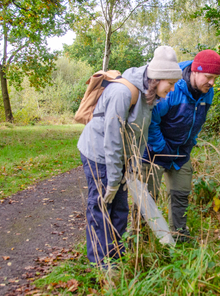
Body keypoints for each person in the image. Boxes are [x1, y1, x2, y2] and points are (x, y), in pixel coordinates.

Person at [77, 46, 182, 268]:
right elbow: (112, 140)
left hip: (119, 156)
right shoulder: (123, 93)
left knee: (120, 207)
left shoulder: (149, 96)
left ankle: (116, 256)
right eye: (170, 84)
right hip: (98, 152)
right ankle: (101, 264)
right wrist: (114, 181)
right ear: (157, 78)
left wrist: (132, 166)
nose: (172, 90)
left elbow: (139, 135)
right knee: (102, 204)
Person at [142, 49, 220, 242]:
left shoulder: (207, 93)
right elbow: (152, 122)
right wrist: (162, 148)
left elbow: (197, 120)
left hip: (181, 152)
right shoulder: (172, 87)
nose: (212, 83)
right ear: (195, 71)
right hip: (154, 150)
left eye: (215, 78)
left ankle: (179, 235)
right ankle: (142, 240)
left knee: (181, 193)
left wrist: (189, 143)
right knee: (147, 197)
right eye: (209, 77)